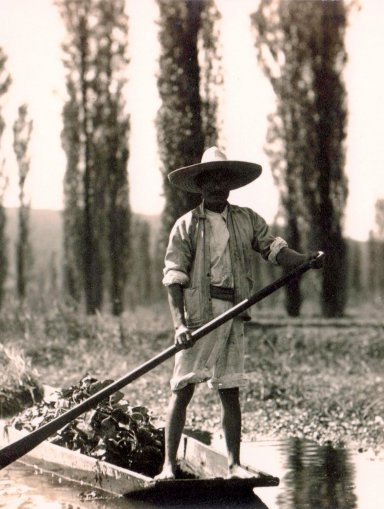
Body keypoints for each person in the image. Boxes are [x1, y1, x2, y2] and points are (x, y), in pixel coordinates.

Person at [156, 146, 319, 480]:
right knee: (183, 388)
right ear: (200, 185)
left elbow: (276, 250)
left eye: (222, 180)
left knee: (230, 390)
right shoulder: (186, 226)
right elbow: (174, 278)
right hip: (200, 315)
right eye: (210, 181)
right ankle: (168, 466)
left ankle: (233, 465)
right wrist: (179, 326)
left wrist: (305, 260)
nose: (217, 187)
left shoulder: (246, 220)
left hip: (234, 310)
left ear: (230, 185)